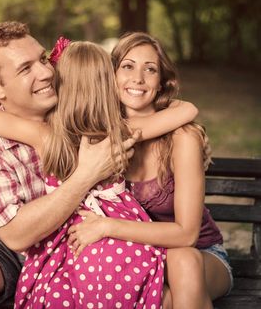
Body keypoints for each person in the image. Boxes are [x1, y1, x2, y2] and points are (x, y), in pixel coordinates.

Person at [0, 39, 199, 308]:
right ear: (109, 85)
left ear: (58, 87)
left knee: (66, 292)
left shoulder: (46, 135)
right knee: (146, 295)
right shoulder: (122, 131)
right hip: (119, 235)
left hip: (71, 234)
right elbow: (188, 109)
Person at [0, 21, 138, 309]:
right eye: (25, 69)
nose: (46, 73)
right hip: (5, 245)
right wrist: (86, 174)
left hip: (80, 234)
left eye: (44, 59)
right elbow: (15, 234)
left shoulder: (74, 101)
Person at [68, 32, 233, 309]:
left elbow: (187, 235)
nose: (138, 78)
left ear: (161, 83)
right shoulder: (99, 139)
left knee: (183, 259)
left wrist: (107, 226)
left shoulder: (183, 138)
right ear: (112, 76)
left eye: (150, 69)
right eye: (128, 66)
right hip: (133, 258)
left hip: (200, 253)